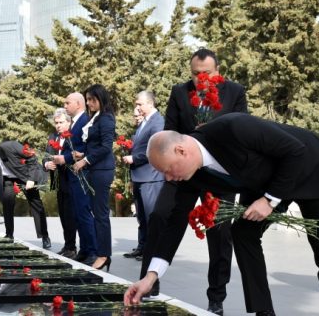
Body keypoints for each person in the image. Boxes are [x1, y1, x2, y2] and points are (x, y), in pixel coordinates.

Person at [125, 113, 319, 316]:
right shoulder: (189, 174)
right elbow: (174, 223)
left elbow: (295, 151)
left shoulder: (234, 127)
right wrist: (150, 276)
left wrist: (270, 200)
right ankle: (264, 313)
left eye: (167, 170)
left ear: (181, 151)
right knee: (243, 233)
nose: (169, 178)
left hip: (309, 166)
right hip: (264, 183)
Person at [140, 48, 248, 315]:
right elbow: (171, 131)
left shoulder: (235, 92)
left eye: (206, 74)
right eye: (196, 74)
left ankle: (216, 297)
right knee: (160, 216)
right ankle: (149, 281)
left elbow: (241, 130)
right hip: (182, 169)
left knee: (220, 233)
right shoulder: (179, 92)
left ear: (218, 71)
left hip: (217, 172)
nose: (201, 80)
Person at [0, 141, 52, 249]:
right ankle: (9, 235)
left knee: (36, 203)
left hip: (25, 176)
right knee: (7, 202)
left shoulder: (10, 147)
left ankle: (44, 236)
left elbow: (31, 157)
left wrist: (31, 179)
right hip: (7, 179)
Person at [71, 84, 116, 270]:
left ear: (101, 99)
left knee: (101, 215)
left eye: (92, 99)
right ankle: (101, 252)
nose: (89, 103)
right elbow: (96, 145)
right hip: (94, 170)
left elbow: (106, 147)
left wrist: (85, 160)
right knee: (96, 213)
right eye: (87, 99)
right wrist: (83, 155)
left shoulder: (106, 118)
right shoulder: (95, 118)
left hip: (102, 171)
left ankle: (104, 254)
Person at [52, 92, 96, 264]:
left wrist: (65, 158)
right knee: (78, 215)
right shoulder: (76, 123)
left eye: (67, 102)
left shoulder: (84, 120)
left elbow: (85, 148)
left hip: (81, 174)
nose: (65, 105)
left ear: (78, 103)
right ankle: (84, 250)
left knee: (84, 214)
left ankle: (92, 251)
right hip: (72, 176)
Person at [122, 91, 164, 262]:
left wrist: (135, 158)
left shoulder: (157, 121)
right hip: (139, 175)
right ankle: (142, 247)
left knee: (150, 216)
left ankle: (153, 251)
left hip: (151, 176)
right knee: (141, 216)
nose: (137, 108)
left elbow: (157, 148)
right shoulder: (144, 122)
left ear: (150, 104)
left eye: (139, 104)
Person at [44, 108, 78, 259]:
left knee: (71, 215)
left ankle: (72, 247)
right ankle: (67, 245)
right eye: (56, 123)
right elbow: (46, 156)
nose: (58, 125)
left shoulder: (74, 136)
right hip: (58, 181)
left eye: (61, 122)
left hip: (72, 180)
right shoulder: (52, 137)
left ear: (69, 122)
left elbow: (76, 155)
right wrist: (46, 164)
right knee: (63, 215)